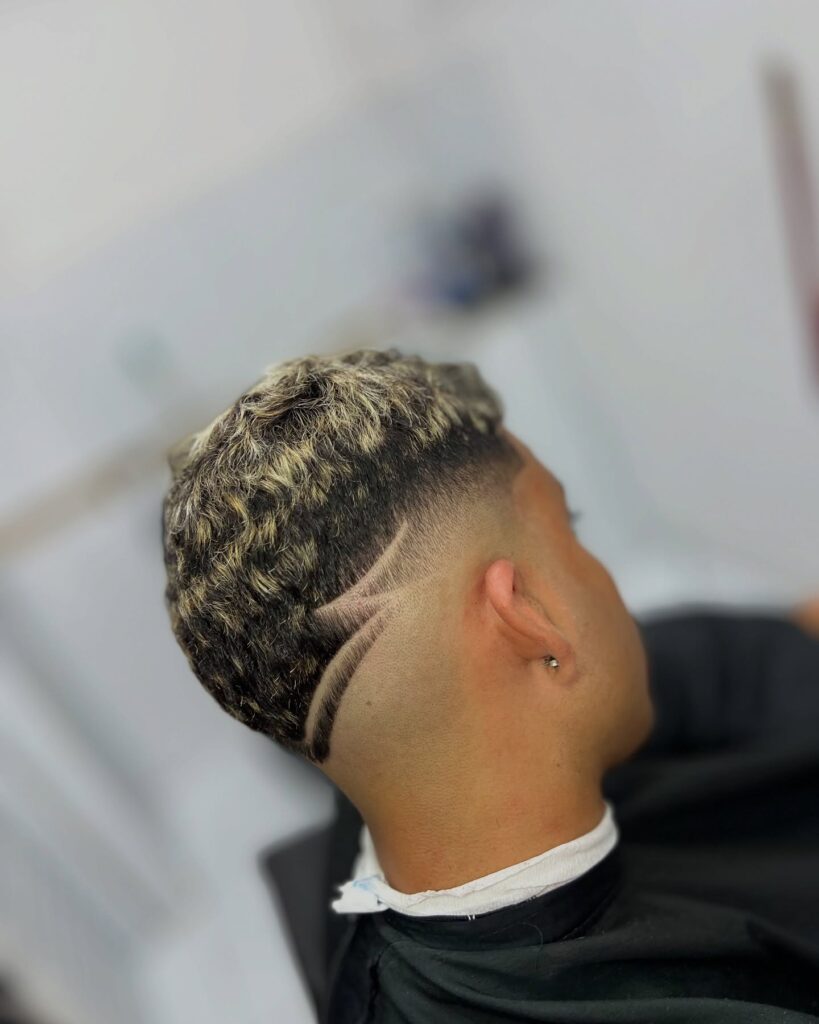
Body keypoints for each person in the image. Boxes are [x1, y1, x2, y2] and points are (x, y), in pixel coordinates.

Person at [161, 348, 819, 1023]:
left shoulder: (396, 791)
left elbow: (675, 665)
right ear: (527, 618)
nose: (600, 576)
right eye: (570, 529)